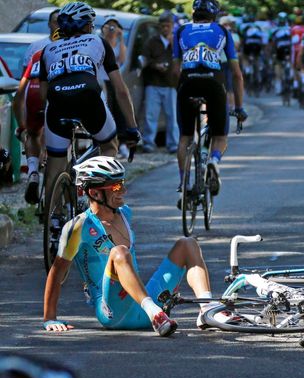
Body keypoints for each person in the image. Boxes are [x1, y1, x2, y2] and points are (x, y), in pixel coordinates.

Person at [42, 156, 229, 337]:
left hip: (144, 303)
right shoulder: (78, 227)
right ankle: (154, 312)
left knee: (187, 244)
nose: (123, 190)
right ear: (95, 193)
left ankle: (208, 309)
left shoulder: (125, 213)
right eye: (116, 186)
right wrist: (50, 318)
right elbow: (57, 271)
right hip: (113, 312)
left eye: (123, 183)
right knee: (119, 252)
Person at [39, 2, 140, 208]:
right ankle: (97, 196)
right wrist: (131, 128)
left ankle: (53, 220)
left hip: (57, 104)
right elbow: (120, 90)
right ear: (85, 25)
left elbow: (43, 95)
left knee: (54, 167)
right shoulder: (97, 41)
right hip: (88, 99)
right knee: (109, 145)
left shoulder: (48, 49)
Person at [173, 0, 246, 200]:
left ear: (194, 13)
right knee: (220, 135)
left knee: (185, 137)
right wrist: (239, 107)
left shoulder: (180, 31)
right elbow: (237, 74)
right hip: (214, 82)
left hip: (187, 82)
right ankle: (213, 160)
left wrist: (178, 91)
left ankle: (184, 183)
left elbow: (174, 69)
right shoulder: (222, 30)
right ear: (214, 14)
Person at [12, 9, 59, 205]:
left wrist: (21, 122)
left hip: (33, 88)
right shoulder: (73, 44)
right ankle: (58, 199)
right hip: (57, 92)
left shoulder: (37, 48)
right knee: (60, 142)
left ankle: (32, 171)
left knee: (32, 133)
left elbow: (25, 78)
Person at [141, 11, 179, 154]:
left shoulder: (175, 42)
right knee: (151, 115)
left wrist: (173, 45)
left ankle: (173, 144)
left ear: (172, 26)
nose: (165, 29)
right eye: (163, 26)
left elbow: (181, 59)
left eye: (168, 26)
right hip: (154, 83)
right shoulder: (152, 41)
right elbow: (145, 59)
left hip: (170, 84)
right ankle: (149, 142)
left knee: (172, 117)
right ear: (159, 27)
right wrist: (155, 65)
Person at [100, 16, 130, 160]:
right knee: (107, 110)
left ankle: (121, 141)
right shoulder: (100, 42)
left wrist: (121, 38)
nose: (112, 29)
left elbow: (122, 60)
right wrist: (106, 35)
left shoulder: (119, 44)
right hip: (101, 81)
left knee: (119, 111)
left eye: (114, 27)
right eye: (109, 26)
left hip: (114, 81)